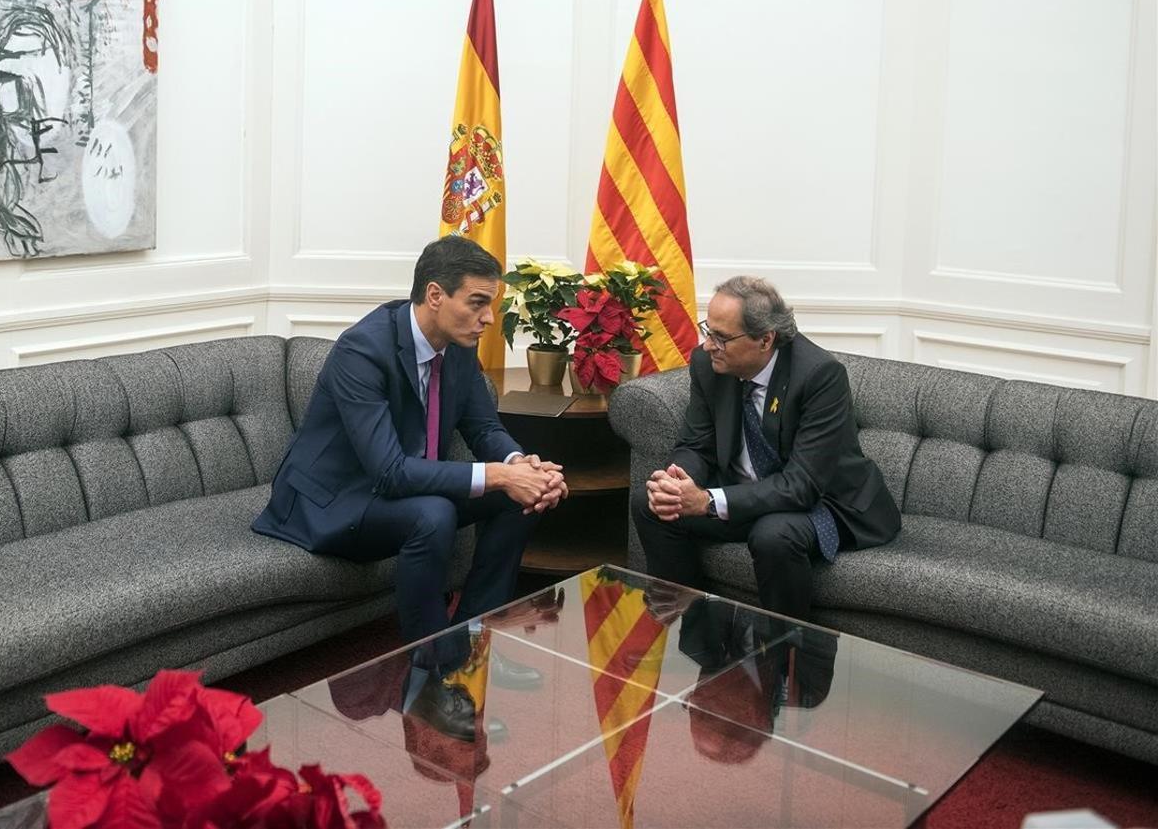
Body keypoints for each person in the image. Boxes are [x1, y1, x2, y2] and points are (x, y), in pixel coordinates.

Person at [254, 235, 566, 732]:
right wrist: (502, 475)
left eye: (492, 305)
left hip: (401, 490)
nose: (489, 319)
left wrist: (520, 463)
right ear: (436, 295)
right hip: (333, 503)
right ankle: (428, 679)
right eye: (478, 303)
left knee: (515, 499)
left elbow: (483, 428)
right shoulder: (363, 349)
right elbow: (390, 471)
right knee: (434, 513)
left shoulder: (458, 345)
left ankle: (471, 646)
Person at [633, 275, 900, 623]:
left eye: (722, 338)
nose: (709, 345)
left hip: (825, 501)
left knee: (774, 535)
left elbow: (801, 485)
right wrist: (678, 482)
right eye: (707, 330)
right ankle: (701, 634)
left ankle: (785, 662)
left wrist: (709, 501)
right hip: (750, 493)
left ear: (765, 339)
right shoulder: (709, 365)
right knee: (652, 504)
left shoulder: (820, 375)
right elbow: (696, 444)